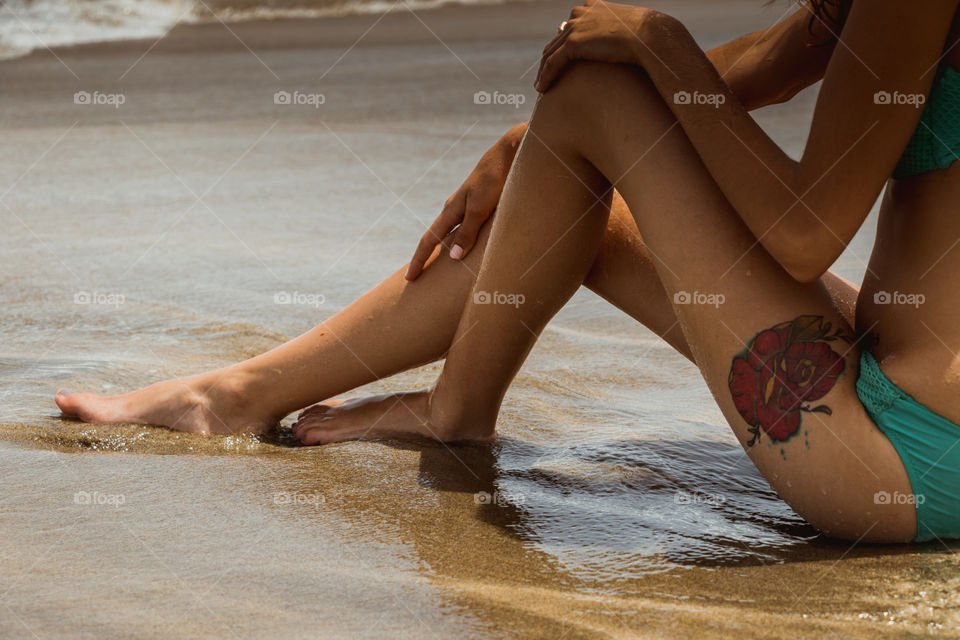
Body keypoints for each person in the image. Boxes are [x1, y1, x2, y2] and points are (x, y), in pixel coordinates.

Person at [56, 0, 960, 543]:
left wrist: (657, 43)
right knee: (579, 191)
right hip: (910, 399)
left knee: (593, 92)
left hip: (901, 460)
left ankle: (453, 416)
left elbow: (807, 231)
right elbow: (776, 58)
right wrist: (535, 148)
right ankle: (235, 394)